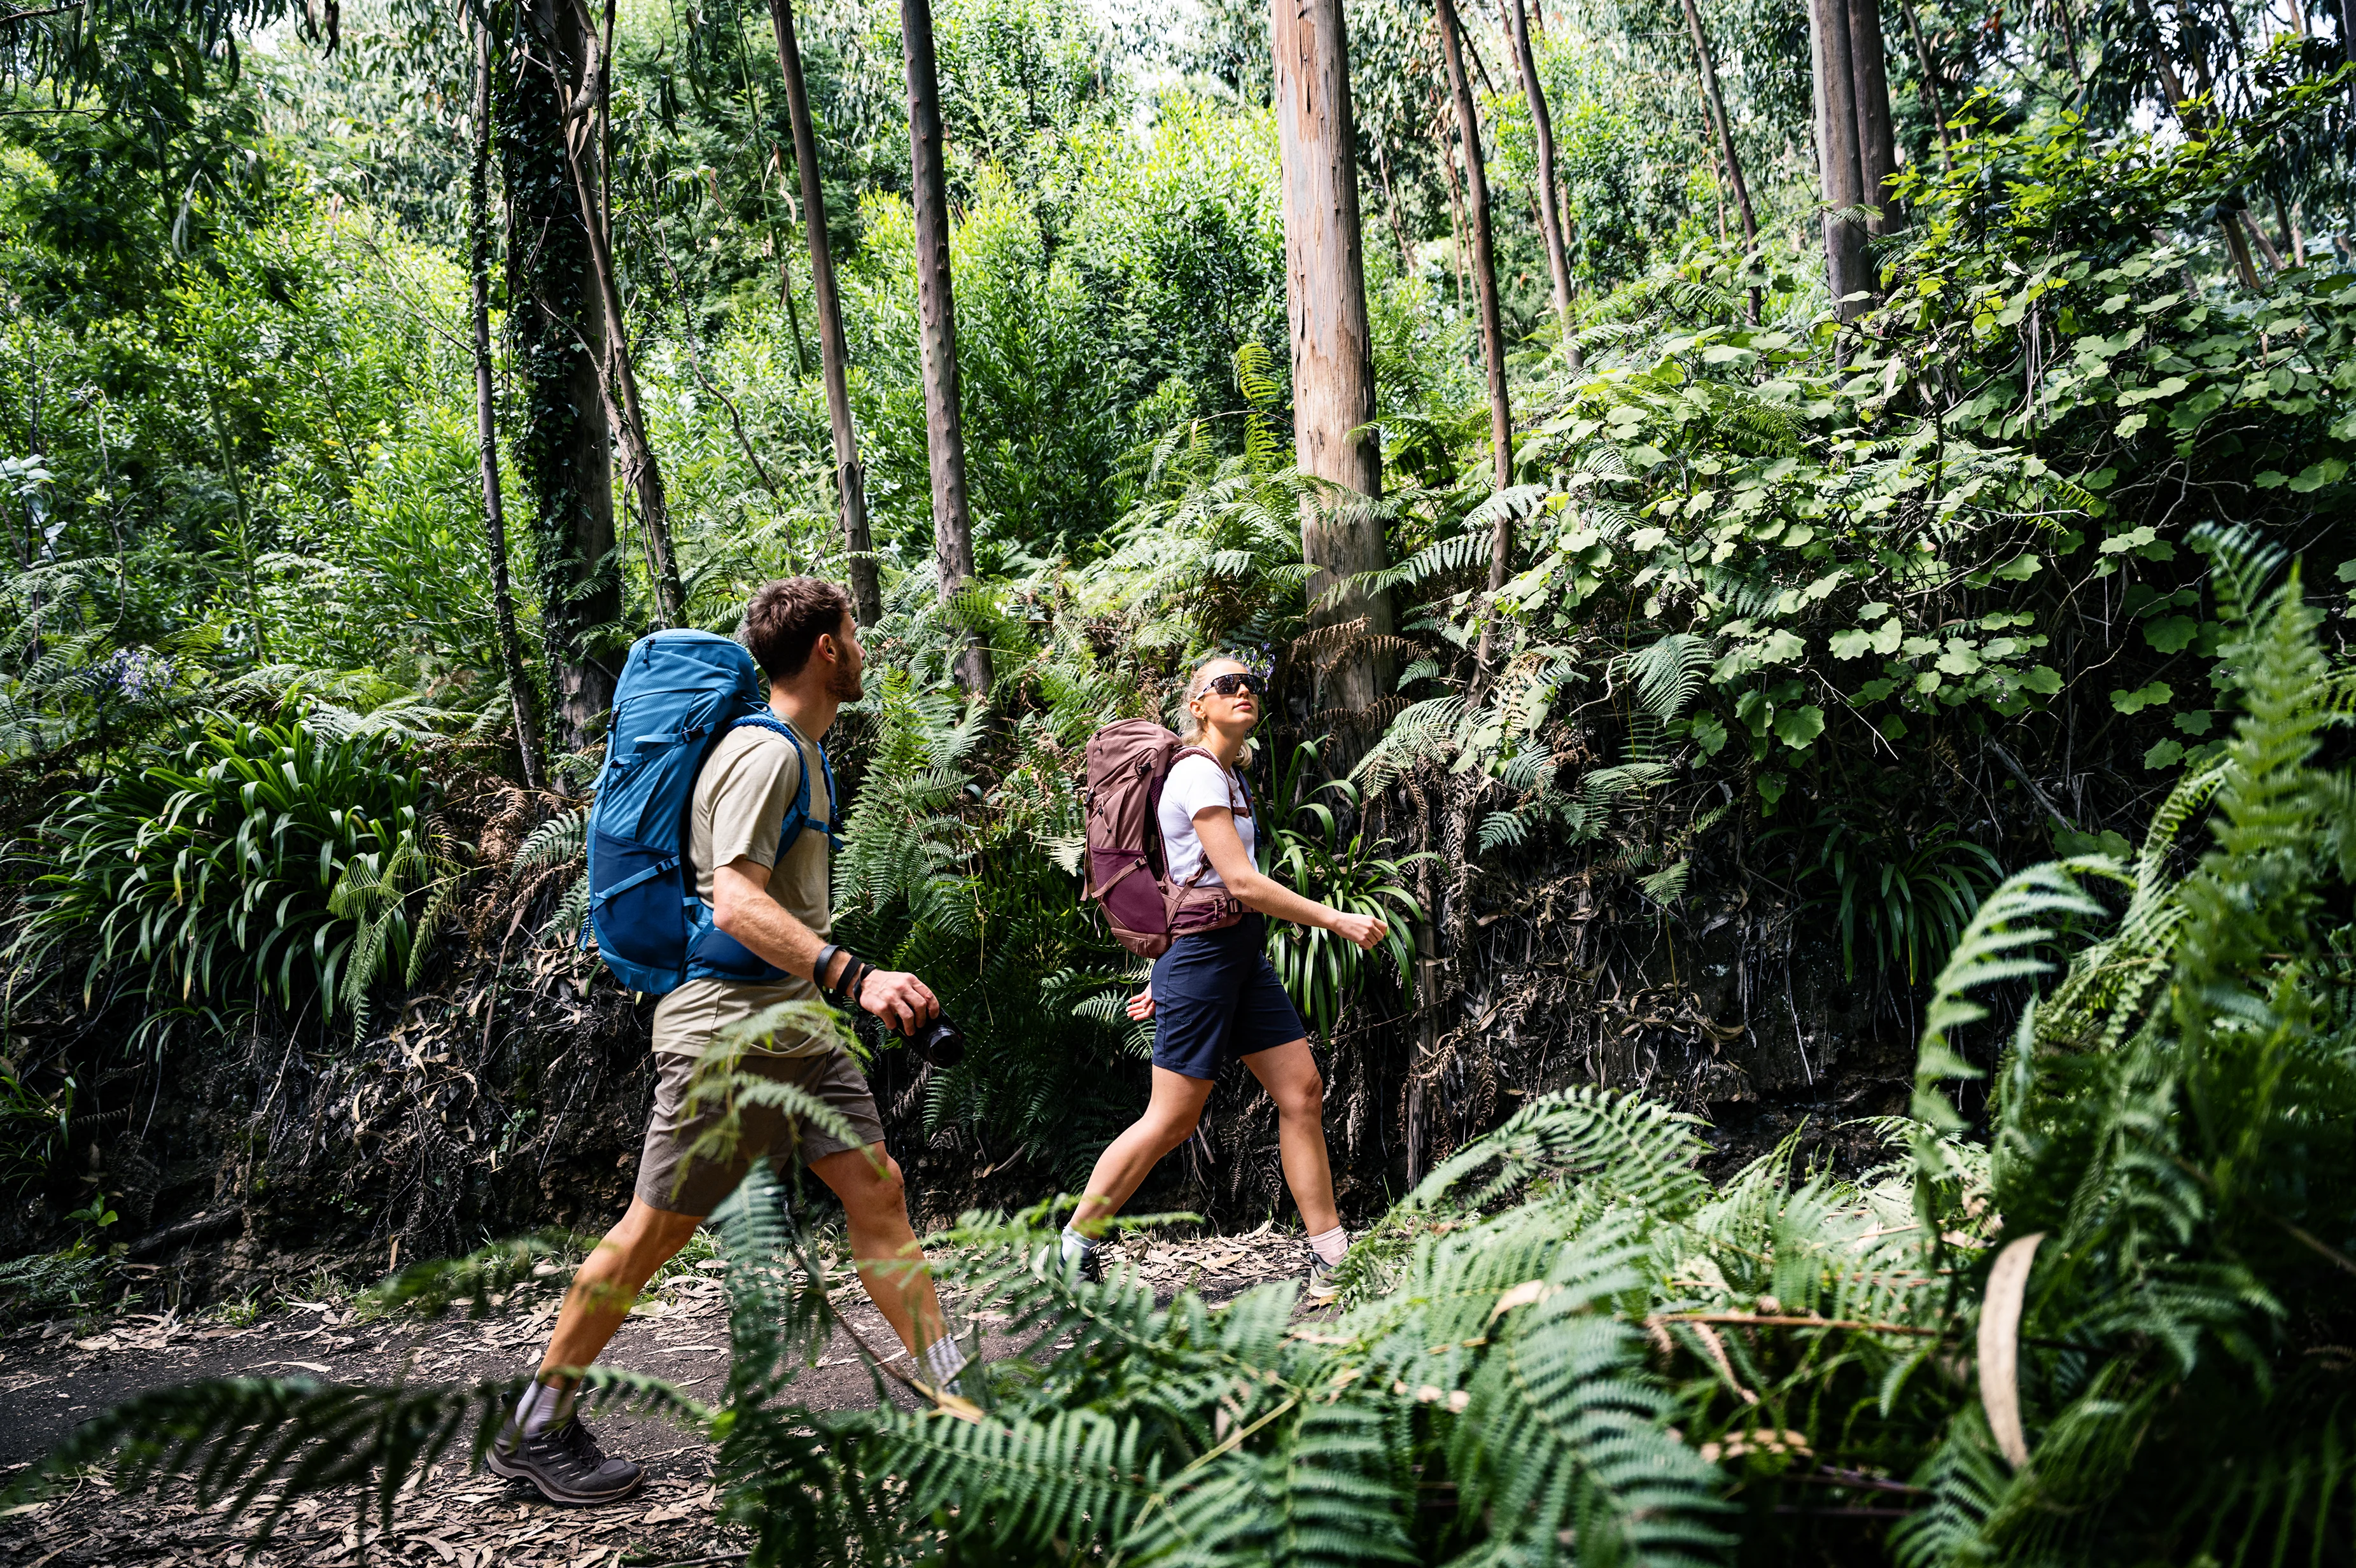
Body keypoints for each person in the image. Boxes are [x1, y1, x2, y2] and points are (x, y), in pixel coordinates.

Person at [492, 578, 963, 1505]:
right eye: (853, 634)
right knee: (655, 1231)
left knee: (877, 1190)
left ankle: (953, 1393)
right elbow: (737, 902)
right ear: (826, 649)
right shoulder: (763, 753)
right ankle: (537, 1424)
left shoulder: (806, 754)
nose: (861, 649)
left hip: (791, 1022)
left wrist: (829, 982)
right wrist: (856, 977)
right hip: (724, 1030)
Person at [1059, 655, 1387, 1300]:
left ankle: (1331, 1256)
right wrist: (1336, 919)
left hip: (1233, 955)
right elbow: (1240, 881)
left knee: (1301, 1091)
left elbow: (1194, 882)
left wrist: (1167, 967)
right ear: (1197, 705)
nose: (1244, 692)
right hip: (1207, 959)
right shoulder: (1198, 774)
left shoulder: (1231, 777)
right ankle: (1076, 1243)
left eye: (1252, 684)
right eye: (1226, 685)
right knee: (1172, 1120)